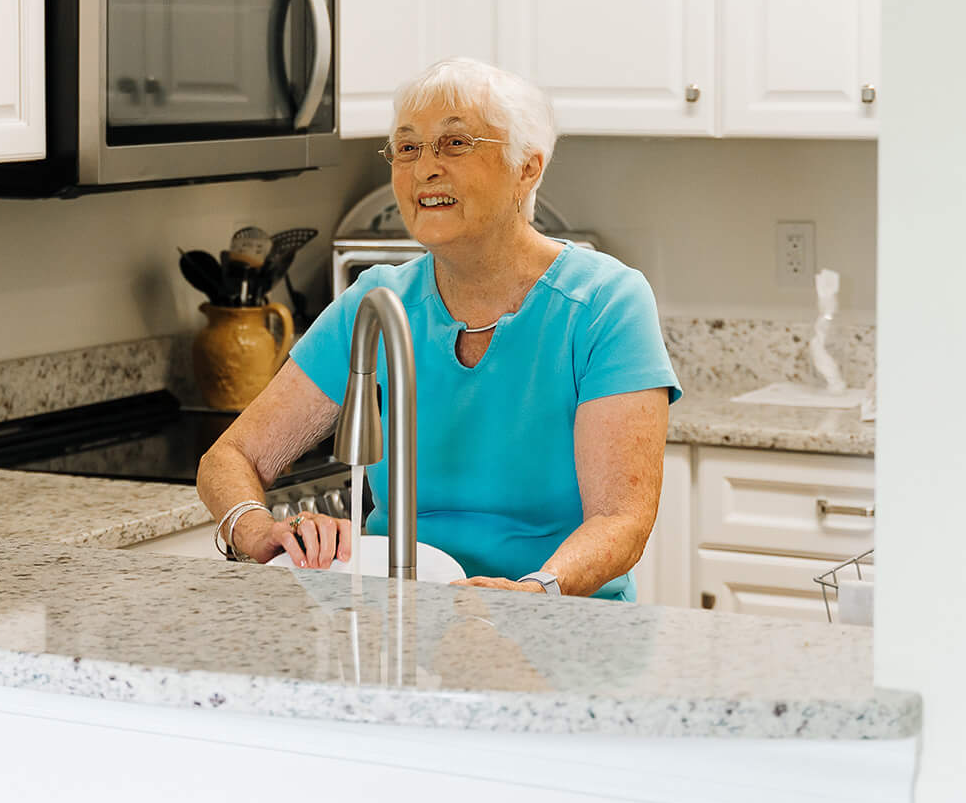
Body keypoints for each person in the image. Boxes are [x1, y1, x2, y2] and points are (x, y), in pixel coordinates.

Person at [196, 57, 679, 598]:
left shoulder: (604, 303)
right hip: (406, 613)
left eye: (455, 144)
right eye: (406, 148)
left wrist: (535, 591)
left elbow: (621, 520)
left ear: (528, 168)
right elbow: (230, 458)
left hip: (561, 620)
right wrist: (256, 531)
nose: (424, 168)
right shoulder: (376, 303)